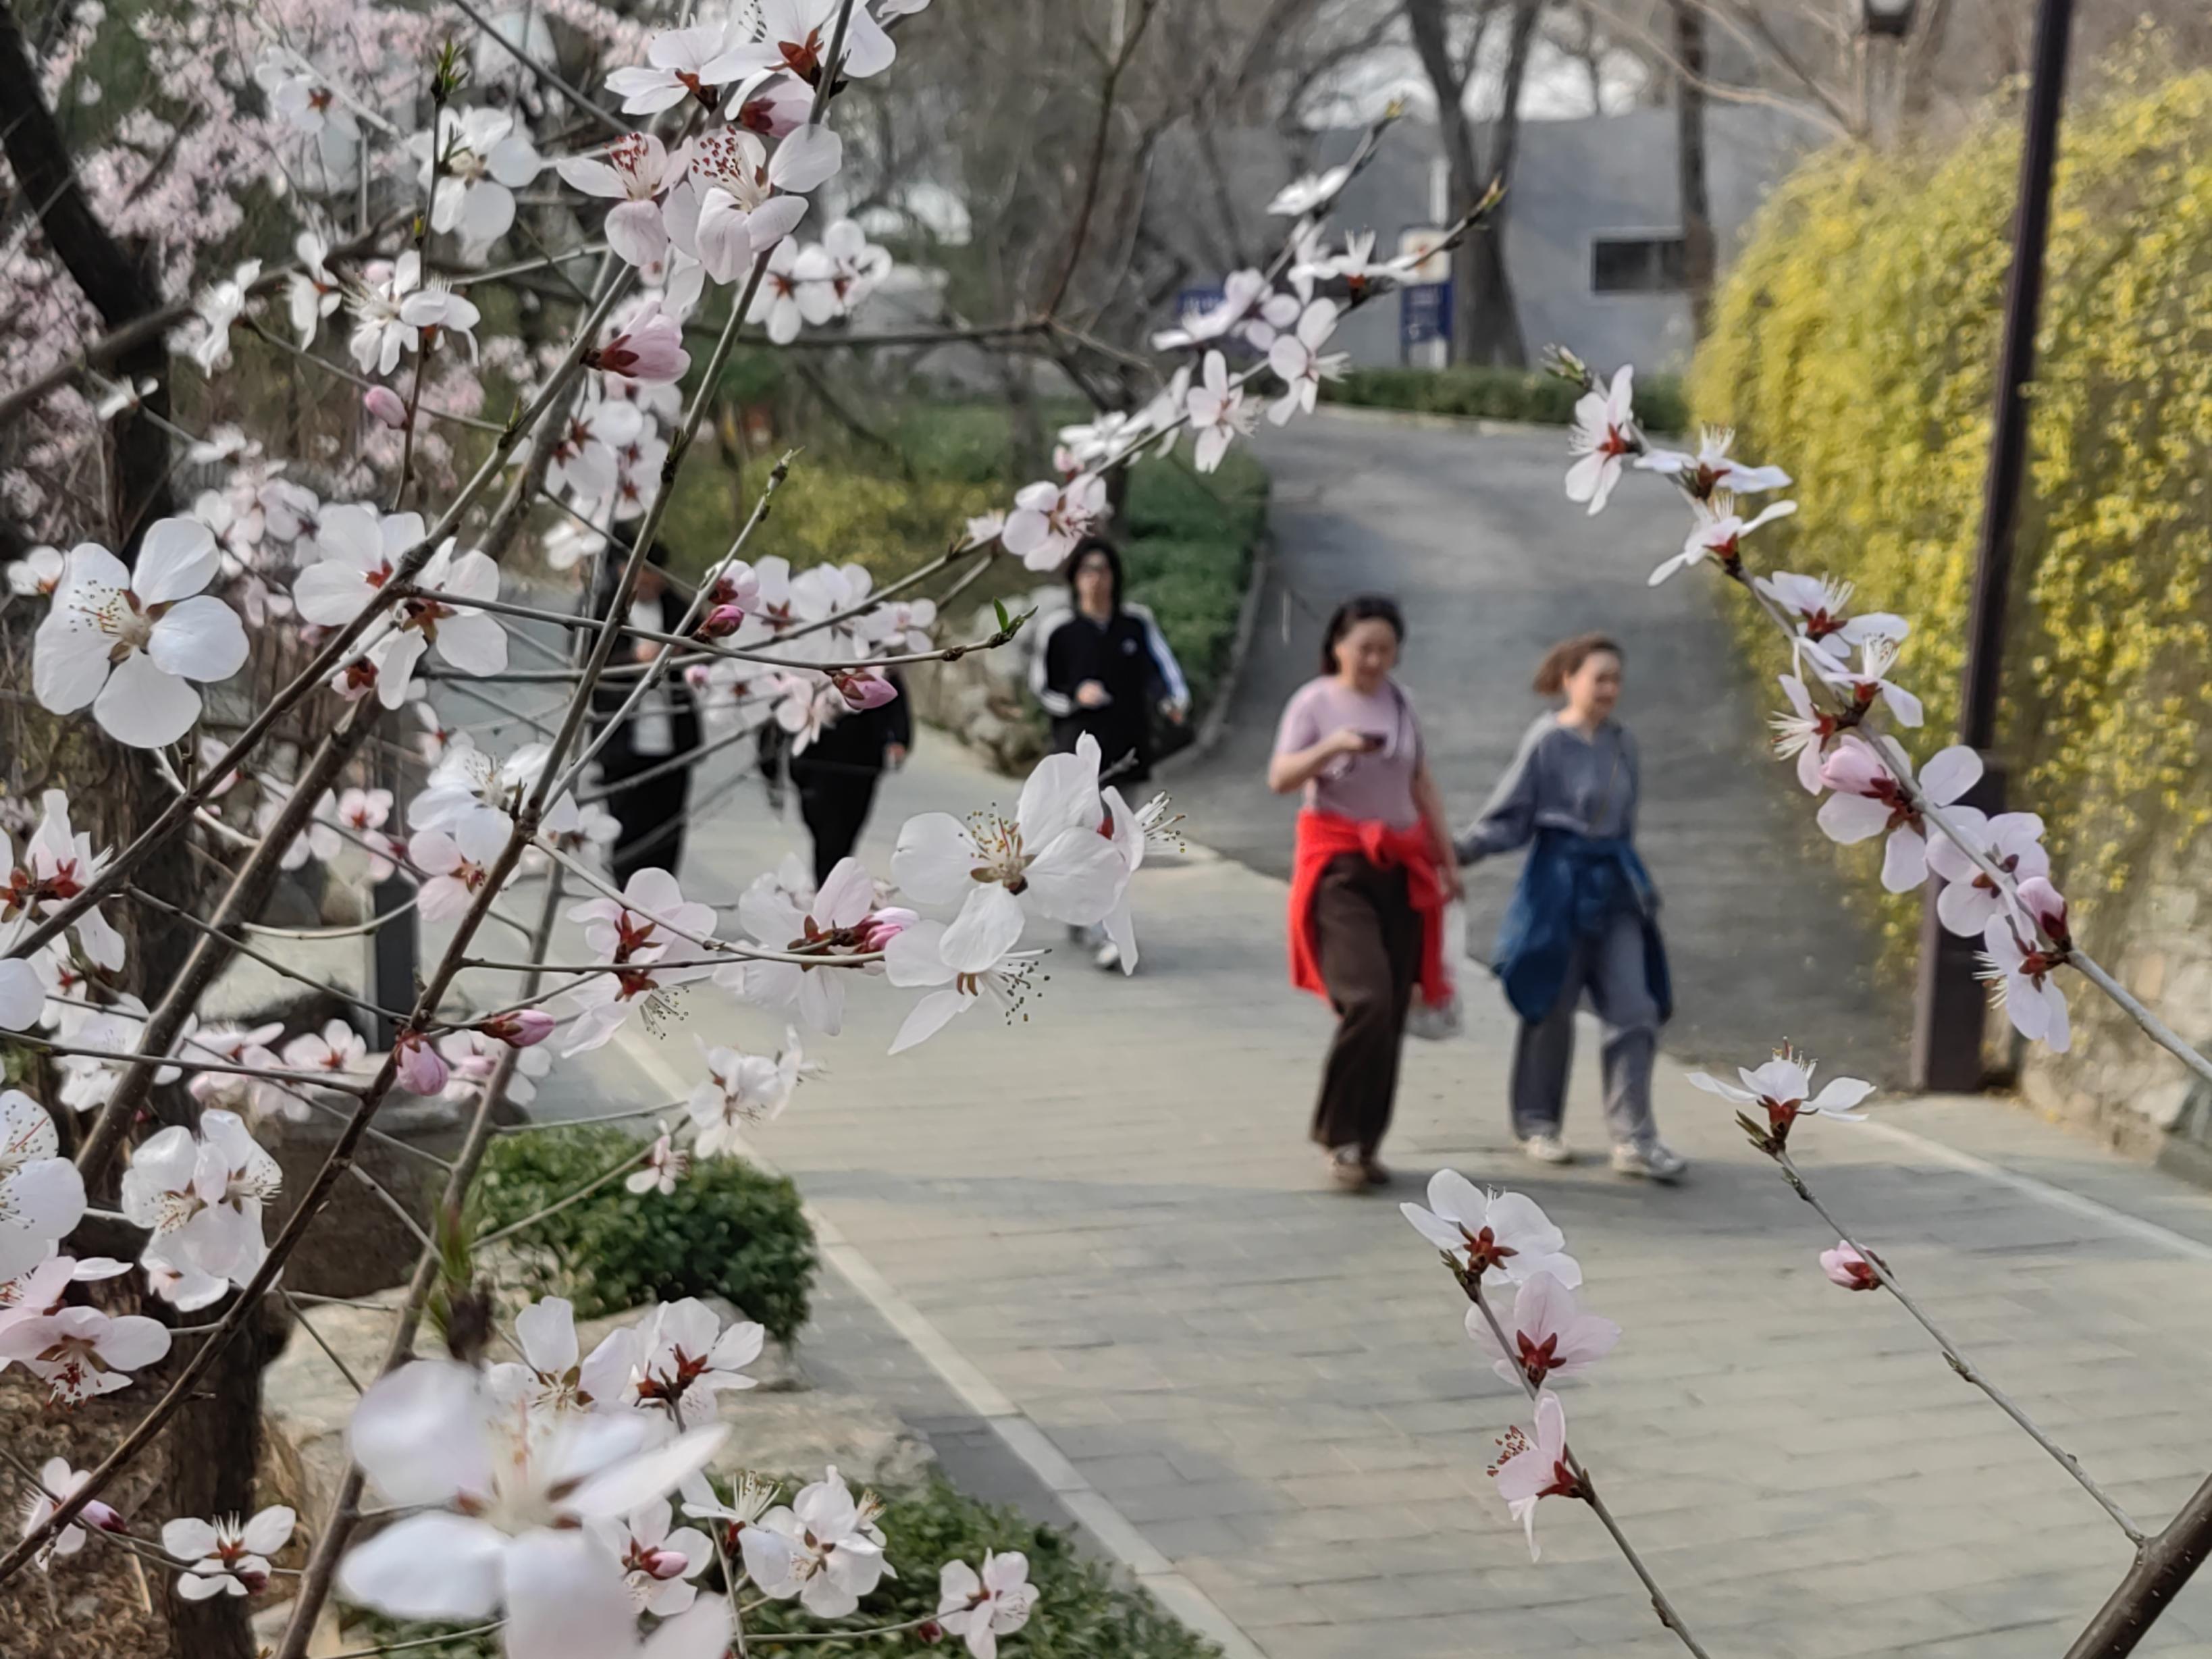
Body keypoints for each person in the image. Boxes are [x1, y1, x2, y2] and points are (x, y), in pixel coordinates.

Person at [1456, 633, 1683, 1182]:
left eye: (1616, 679)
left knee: (1635, 1007)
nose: (1609, 689)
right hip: (1556, 883)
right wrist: (1459, 851)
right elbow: (1510, 815)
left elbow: (1626, 822)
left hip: (1615, 886)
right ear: (1569, 680)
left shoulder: (1624, 743)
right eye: (1598, 677)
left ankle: (1634, 1137)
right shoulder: (1546, 741)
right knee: (1550, 1005)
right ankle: (1537, 1121)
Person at [1269, 595, 1460, 1191]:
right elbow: (1280, 777)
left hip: (1399, 865)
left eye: (1386, 649)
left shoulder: (1400, 702)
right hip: (1340, 867)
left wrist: (1446, 858)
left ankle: (1365, 1142)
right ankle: (1338, 1132)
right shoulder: (1315, 701)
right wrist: (1334, 747)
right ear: (1337, 646)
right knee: (1369, 997)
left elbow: (1421, 781)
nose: (1375, 660)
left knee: (1394, 1006)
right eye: (1364, 648)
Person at [1030, 536, 1188, 970]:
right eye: (1087, 570)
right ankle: (1105, 931)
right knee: (1094, 839)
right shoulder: (1059, 629)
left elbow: (1163, 671)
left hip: (1129, 748)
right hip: (1079, 756)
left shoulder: (1136, 624)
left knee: (1117, 844)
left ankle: (1090, 917)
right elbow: (1043, 688)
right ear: (1074, 578)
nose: (1096, 579)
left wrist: (1173, 702)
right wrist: (1077, 696)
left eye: (1103, 570)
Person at [589, 541, 700, 888]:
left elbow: (708, 651)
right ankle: (626, 898)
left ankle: (663, 901)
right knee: (627, 828)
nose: (649, 582)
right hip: (622, 743)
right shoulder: (602, 609)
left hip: (672, 744)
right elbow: (588, 670)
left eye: (656, 575)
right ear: (624, 570)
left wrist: (687, 652)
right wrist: (635, 661)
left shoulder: (680, 610)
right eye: (641, 572)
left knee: (668, 829)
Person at [781, 668, 912, 886]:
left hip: (861, 762)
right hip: (817, 757)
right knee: (820, 822)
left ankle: (831, 881)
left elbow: (897, 706)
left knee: (846, 828)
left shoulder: (884, 667)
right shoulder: (817, 664)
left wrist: (899, 741)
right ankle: (829, 877)